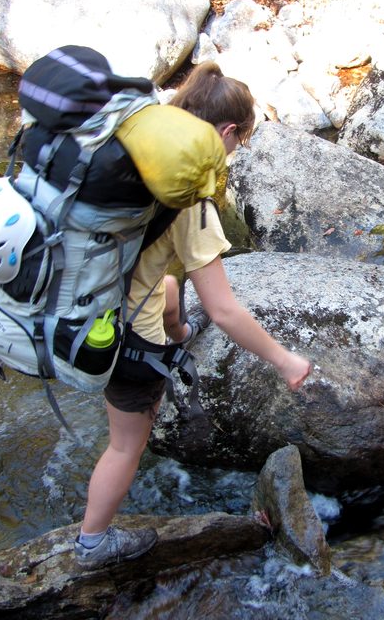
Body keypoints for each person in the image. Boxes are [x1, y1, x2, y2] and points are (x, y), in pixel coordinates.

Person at [74, 61, 312, 569]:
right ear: (227, 132)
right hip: (123, 338)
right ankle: (92, 544)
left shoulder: (134, 147)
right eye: (238, 142)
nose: (232, 153)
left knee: (166, 287)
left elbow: (160, 273)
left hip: (79, 303)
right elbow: (224, 310)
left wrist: (179, 327)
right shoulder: (187, 194)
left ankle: (176, 328)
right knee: (124, 447)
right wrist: (286, 361)